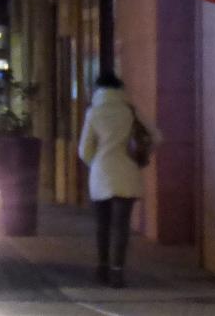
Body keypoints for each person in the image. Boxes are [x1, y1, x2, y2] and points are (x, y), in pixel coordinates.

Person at [78, 70, 156, 287]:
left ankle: (102, 268)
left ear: (98, 90)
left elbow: (84, 150)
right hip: (127, 172)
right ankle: (117, 272)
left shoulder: (94, 113)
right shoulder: (129, 111)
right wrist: (138, 154)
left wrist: (97, 162)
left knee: (102, 225)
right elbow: (155, 136)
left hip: (101, 172)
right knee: (121, 226)